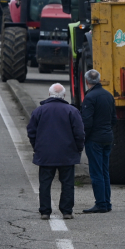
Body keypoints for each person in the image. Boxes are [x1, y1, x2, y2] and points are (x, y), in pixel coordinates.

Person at [27, 83, 85, 220]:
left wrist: (37, 147)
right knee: (67, 183)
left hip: (45, 154)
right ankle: (67, 211)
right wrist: (78, 148)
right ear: (64, 96)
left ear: (49, 94)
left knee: (45, 183)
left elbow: (31, 132)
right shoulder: (72, 111)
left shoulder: (39, 111)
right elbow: (80, 133)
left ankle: (45, 211)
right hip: (67, 153)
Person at [80, 69, 117, 213]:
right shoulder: (109, 96)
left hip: (94, 139)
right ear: (100, 80)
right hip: (107, 137)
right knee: (105, 171)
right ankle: (107, 203)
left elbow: (86, 122)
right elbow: (114, 118)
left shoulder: (90, 98)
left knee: (96, 173)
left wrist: (83, 137)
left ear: (87, 81)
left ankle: (101, 203)